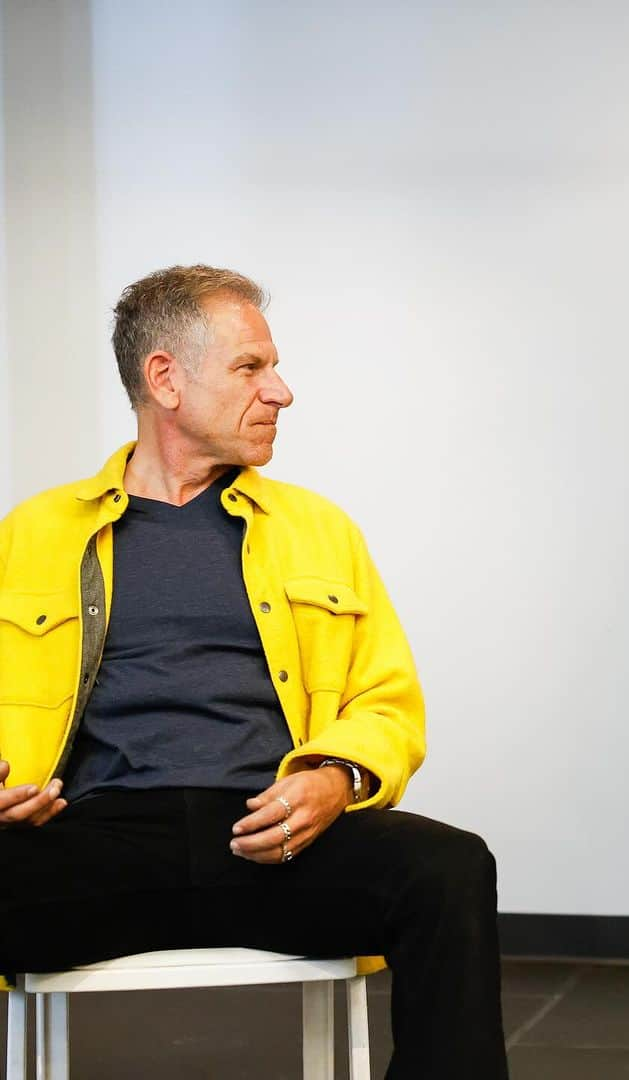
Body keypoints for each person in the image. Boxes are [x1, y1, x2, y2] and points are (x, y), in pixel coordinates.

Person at [0, 265, 508, 1079]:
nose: (281, 392)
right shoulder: (32, 533)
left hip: (275, 838)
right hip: (97, 838)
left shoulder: (315, 528)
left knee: (449, 869)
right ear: (165, 378)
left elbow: (387, 700)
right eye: (251, 368)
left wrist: (338, 776)